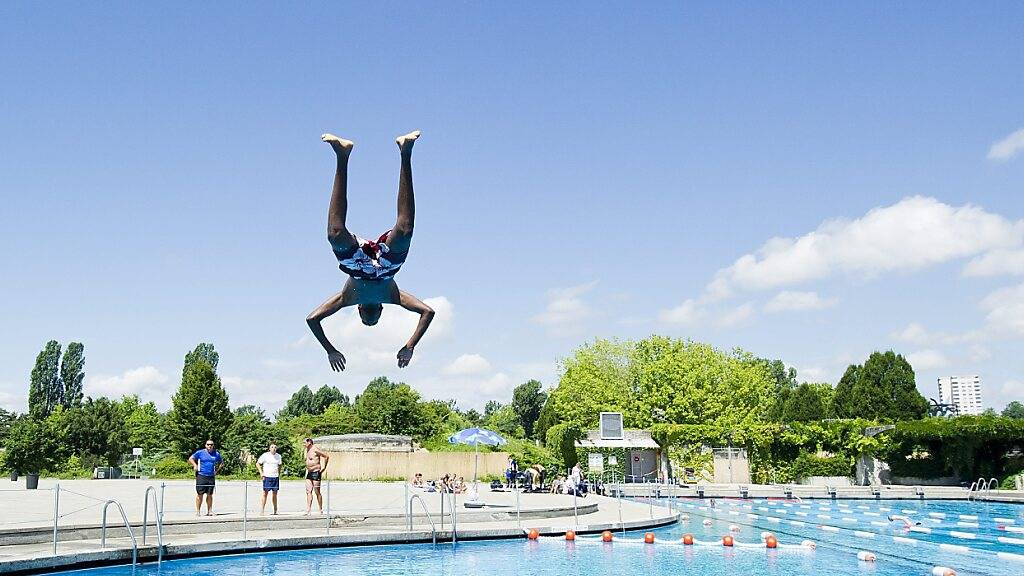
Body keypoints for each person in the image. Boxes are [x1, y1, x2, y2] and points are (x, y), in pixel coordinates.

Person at [306, 131, 435, 372]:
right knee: (404, 229)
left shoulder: (347, 299)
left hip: (357, 267)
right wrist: (410, 345)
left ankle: (342, 156)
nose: (369, 312)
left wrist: (330, 350)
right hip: (385, 270)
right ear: (379, 308)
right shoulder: (394, 297)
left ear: (360, 309)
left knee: (337, 232)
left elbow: (312, 319)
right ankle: (405, 152)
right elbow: (427, 312)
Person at [188, 439, 223, 516]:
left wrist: (217, 471)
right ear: (205, 445)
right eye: (208, 444)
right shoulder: (200, 452)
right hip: (201, 475)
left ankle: (209, 511)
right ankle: (198, 511)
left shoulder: (216, 454)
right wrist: (195, 465)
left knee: (210, 495)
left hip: (211, 477)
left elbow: (221, 463)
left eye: (211, 444)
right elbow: (191, 458)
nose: (209, 446)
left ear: (213, 445)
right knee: (200, 494)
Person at [303, 437, 330, 515]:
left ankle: (320, 509)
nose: (303, 444)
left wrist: (324, 467)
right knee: (308, 491)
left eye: (305, 443)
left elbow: (326, 456)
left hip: (315, 472)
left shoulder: (315, 449)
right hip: (309, 472)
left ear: (309, 443)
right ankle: (308, 509)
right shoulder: (306, 450)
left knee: (317, 492)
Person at [256, 443, 282, 515]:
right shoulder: (265, 455)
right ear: (269, 448)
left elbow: (280, 465)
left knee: (275, 494)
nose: (274, 448)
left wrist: (278, 473)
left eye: (275, 447)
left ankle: (275, 510)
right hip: (267, 476)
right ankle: (262, 510)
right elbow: (257, 464)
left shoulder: (278, 456)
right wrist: (261, 473)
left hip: (275, 476)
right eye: (272, 447)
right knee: (265, 493)